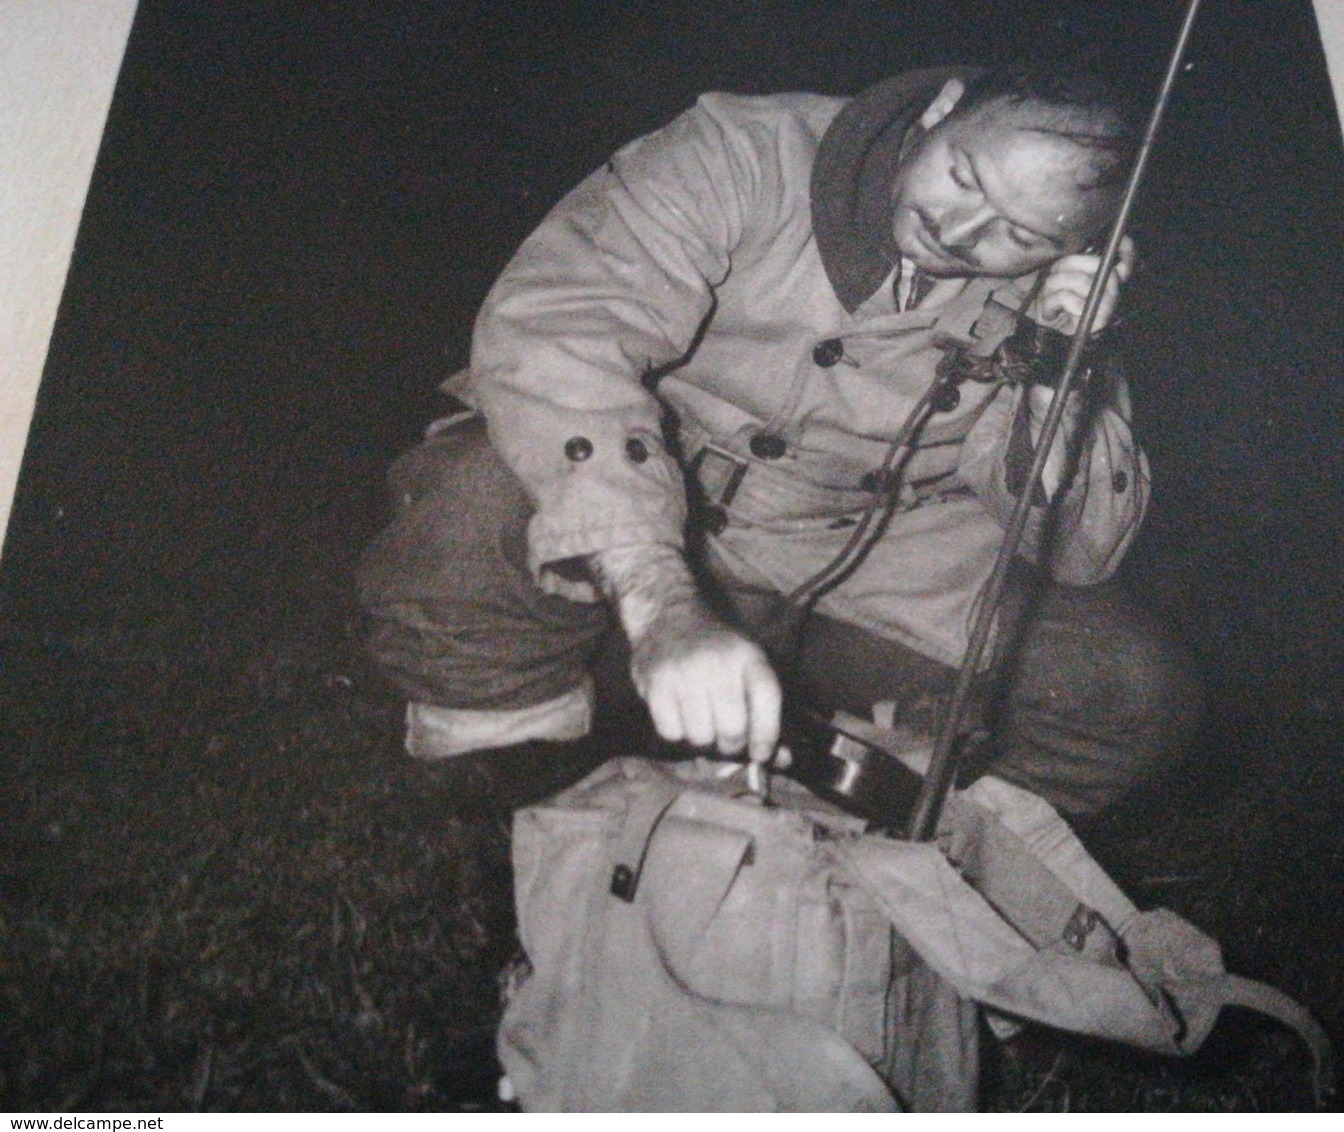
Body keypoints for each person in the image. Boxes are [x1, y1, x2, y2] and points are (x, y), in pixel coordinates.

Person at [356, 57, 1201, 822]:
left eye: (1021, 237)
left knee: (1126, 696)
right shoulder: (744, 151)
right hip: (664, 512)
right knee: (476, 498)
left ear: (1082, 248)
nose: (965, 234)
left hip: (883, 576)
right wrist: (659, 602)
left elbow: (1080, 553)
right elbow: (560, 332)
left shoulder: (1059, 302)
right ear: (942, 107)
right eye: (963, 177)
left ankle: (876, 834)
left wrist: (1063, 360)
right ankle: (513, 798)